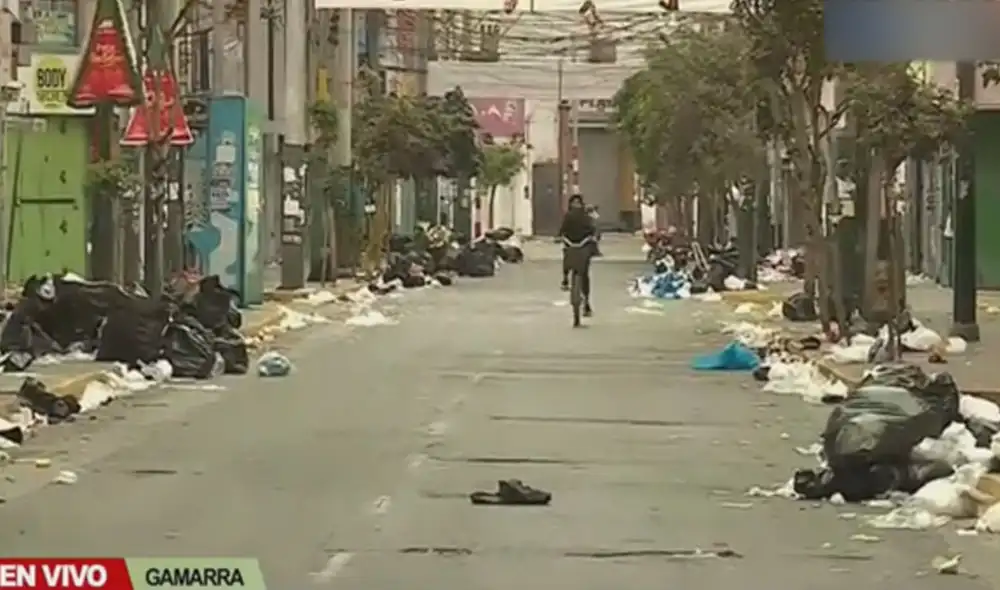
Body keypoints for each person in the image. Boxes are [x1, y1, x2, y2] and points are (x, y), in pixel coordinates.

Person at [558, 194, 597, 315]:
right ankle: (565, 279)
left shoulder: (586, 217)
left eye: (578, 203)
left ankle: (586, 302)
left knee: (584, 274)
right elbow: (562, 230)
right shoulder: (568, 217)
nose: (576, 205)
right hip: (570, 245)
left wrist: (593, 238)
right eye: (573, 203)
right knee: (566, 257)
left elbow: (593, 230)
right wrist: (559, 237)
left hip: (583, 246)